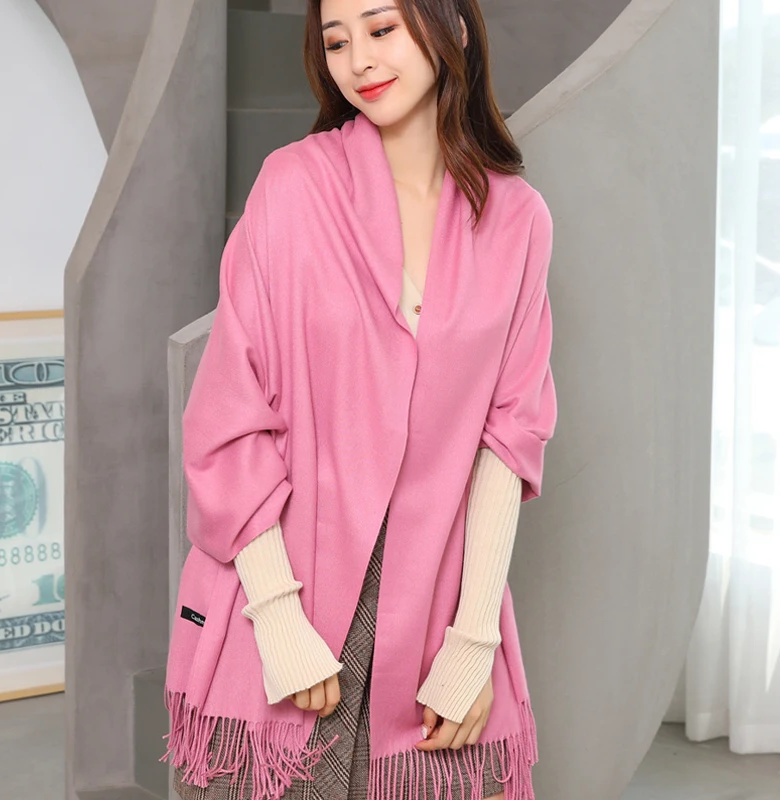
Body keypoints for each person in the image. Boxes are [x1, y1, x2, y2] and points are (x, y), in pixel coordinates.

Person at [162, 1, 557, 799]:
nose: (359, 62)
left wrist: (473, 642)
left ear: (452, 28)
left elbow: (507, 440)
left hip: (433, 612)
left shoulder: (517, 220)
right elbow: (230, 420)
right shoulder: (293, 187)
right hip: (284, 593)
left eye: (381, 30)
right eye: (336, 41)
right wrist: (277, 617)